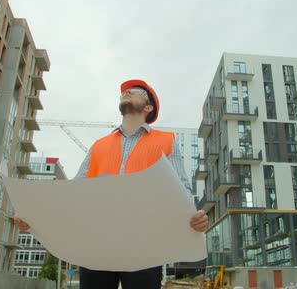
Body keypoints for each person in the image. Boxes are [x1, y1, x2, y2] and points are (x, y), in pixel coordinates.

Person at [14, 79, 209, 289]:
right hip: (97, 244)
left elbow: (182, 191)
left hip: (144, 246)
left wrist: (194, 218)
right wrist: (34, 215)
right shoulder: (99, 146)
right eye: (124, 91)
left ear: (148, 107)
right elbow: (73, 193)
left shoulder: (166, 142)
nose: (126, 92)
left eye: (134, 91)